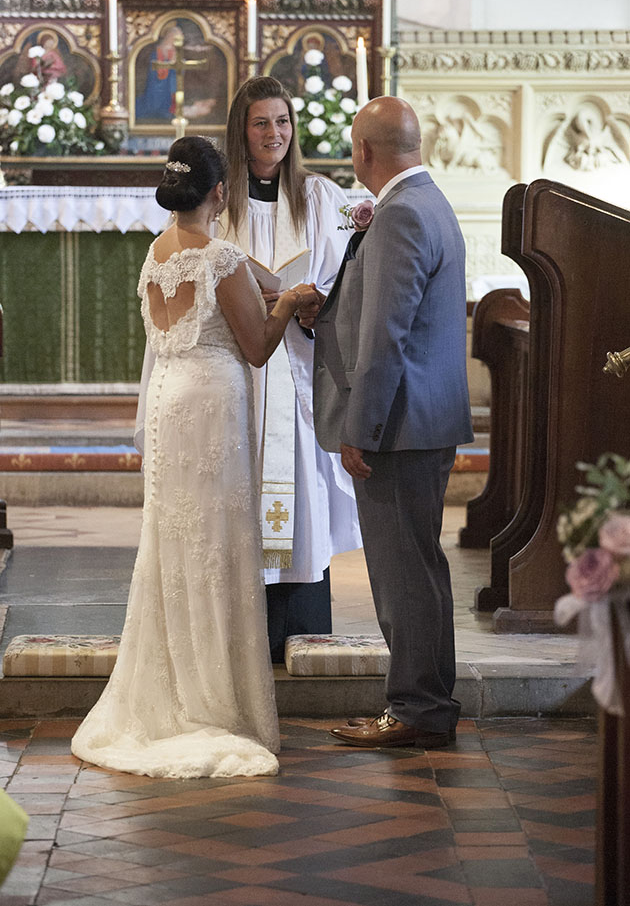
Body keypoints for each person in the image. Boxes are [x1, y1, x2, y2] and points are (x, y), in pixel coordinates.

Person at [71, 136, 318, 778]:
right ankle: (216, 703)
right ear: (220, 192)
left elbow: (249, 278)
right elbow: (259, 346)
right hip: (212, 409)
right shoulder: (221, 259)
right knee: (217, 543)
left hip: (168, 403)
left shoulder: (158, 253)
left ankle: (171, 689)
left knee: (174, 545)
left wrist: (270, 281)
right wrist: (290, 301)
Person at [308, 97, 474, 749]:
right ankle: (429, 703)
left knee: (403, 575)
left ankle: (415, 710)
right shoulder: (431, 201)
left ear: (364, 152)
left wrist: (359, 428)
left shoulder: (401, 215)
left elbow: (384, 339)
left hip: (399, 428)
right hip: (425, 422)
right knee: (422, 569)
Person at [220, 75, 362, 662]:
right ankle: (245, 640)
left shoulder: (322, 196)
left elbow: (342, 277)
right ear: (241, 132)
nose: (273, 133)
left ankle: (303, 630)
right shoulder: (217, 200)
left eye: (282, 122)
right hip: (239, 371)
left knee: (303, 496)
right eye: (261, 123)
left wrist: (312, 303)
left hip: (301, 369)